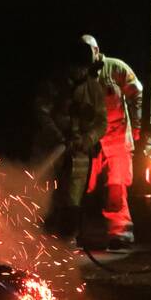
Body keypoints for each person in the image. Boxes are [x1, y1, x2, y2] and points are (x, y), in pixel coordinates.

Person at [34, 40, 108, 246]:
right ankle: (42, 239)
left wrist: (87, 139)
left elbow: (102, 122)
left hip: (79, 155)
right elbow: (41, 112)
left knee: (73, 200)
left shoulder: (93, 89)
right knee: (47, 195)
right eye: (75, 67)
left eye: (83, 68)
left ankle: (67, 240)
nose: (79, 72)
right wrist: (57, 136)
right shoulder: (54, 85)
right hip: (53, 152)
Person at [80, 35, 143, 247]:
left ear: (96, 50)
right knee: (83, 187)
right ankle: (82, 231)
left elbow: (136, 92)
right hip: (90, 140)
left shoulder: (115, 68)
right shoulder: (79, 72)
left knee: (116, 187)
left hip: (117, 139)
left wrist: (136, 126)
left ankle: (120, 232)